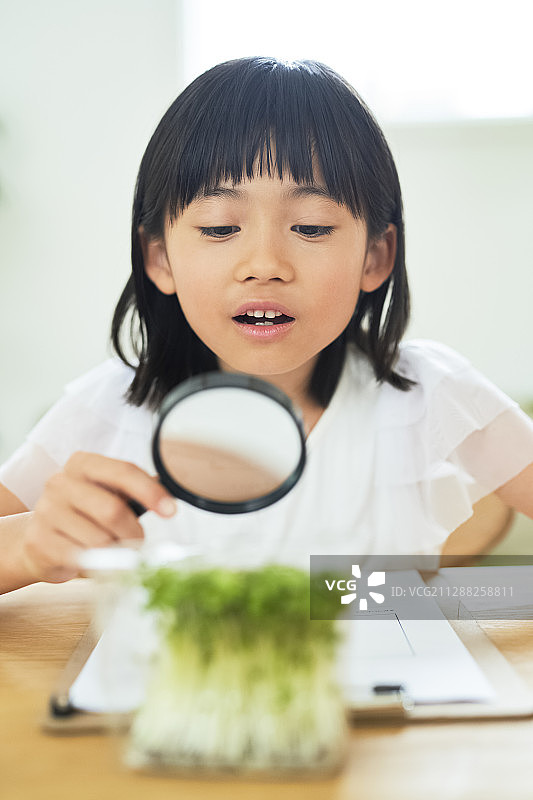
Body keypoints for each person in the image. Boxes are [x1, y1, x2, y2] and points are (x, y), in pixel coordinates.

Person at [1, 57, 533, 595]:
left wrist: (409, 600)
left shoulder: (431, 394)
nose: (264, 264)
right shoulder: (104, 411)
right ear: (159, 258)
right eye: (219, 228)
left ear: (375, 256)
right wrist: (25, 546)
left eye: (311, 227)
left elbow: (478, 598)